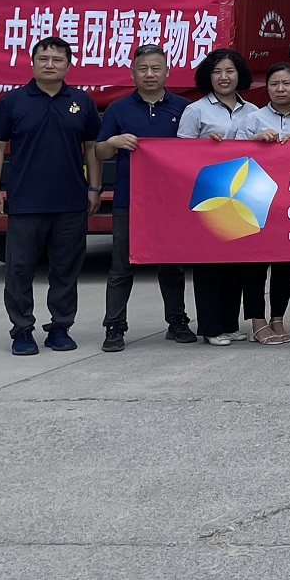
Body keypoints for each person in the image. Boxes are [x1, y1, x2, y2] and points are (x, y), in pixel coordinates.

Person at [0, 35, 102, 355]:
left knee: (66, 269)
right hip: (25, 202)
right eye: (43, 59)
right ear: (33, 63)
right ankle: (22, 330)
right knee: (19, 270)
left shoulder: (82, 101)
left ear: (68, 65)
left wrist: (94, 188)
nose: (50, 65)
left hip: (71, 201)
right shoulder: (13, 101)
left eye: (57, 59)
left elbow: (92, 147)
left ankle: (60, 328)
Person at [94, 42, 190, 351]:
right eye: (143, 68)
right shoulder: (118, 109)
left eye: (156, 68)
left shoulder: (184, 108)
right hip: (129, 200)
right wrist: (114, 141)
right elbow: (99, 151)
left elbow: (196, 150)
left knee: (171, 265)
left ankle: (177, 321)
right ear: (132, 72)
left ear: (167, 72)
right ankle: (114, 326)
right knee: (122, 265)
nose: (150, 74)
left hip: (171, 201)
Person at [177, 47, 258, 345]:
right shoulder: (196, 110)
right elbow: (180, 154)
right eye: (217, 72)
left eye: (230, 71)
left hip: (242, 195)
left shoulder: (253, 111)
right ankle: (210, 327)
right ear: (207, 76)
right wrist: (205, 147)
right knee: (209, 264)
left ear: (240, 75)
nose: (224, 77)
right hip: (208, 195)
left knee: (235, 263)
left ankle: (230, 323)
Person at [236, 61, 290, 346]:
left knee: (285, 266)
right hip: (256, 200)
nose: (280, 89)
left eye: (286, 83)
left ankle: (278, 318)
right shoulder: (252, 118)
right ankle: (257, 321)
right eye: (274, 84)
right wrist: (254, 141)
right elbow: (233, 156)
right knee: (255, 264)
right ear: (266, 88)